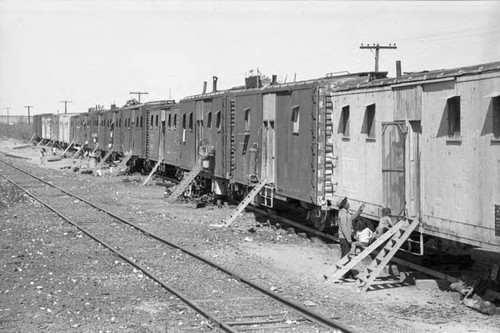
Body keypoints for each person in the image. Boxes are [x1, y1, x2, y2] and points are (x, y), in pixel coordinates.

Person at [336, 197, 365, 279]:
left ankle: (346, 273)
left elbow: (352, 218)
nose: (348, 203)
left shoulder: (346, 213)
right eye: (346, 203)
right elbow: (344, 228)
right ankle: (344, 273)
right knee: (345, 256)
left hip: (346, 237)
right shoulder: (342, 214)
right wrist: (349, 239)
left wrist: (360, 210)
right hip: (344, 238)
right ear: (343, 205)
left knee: (346, 255)